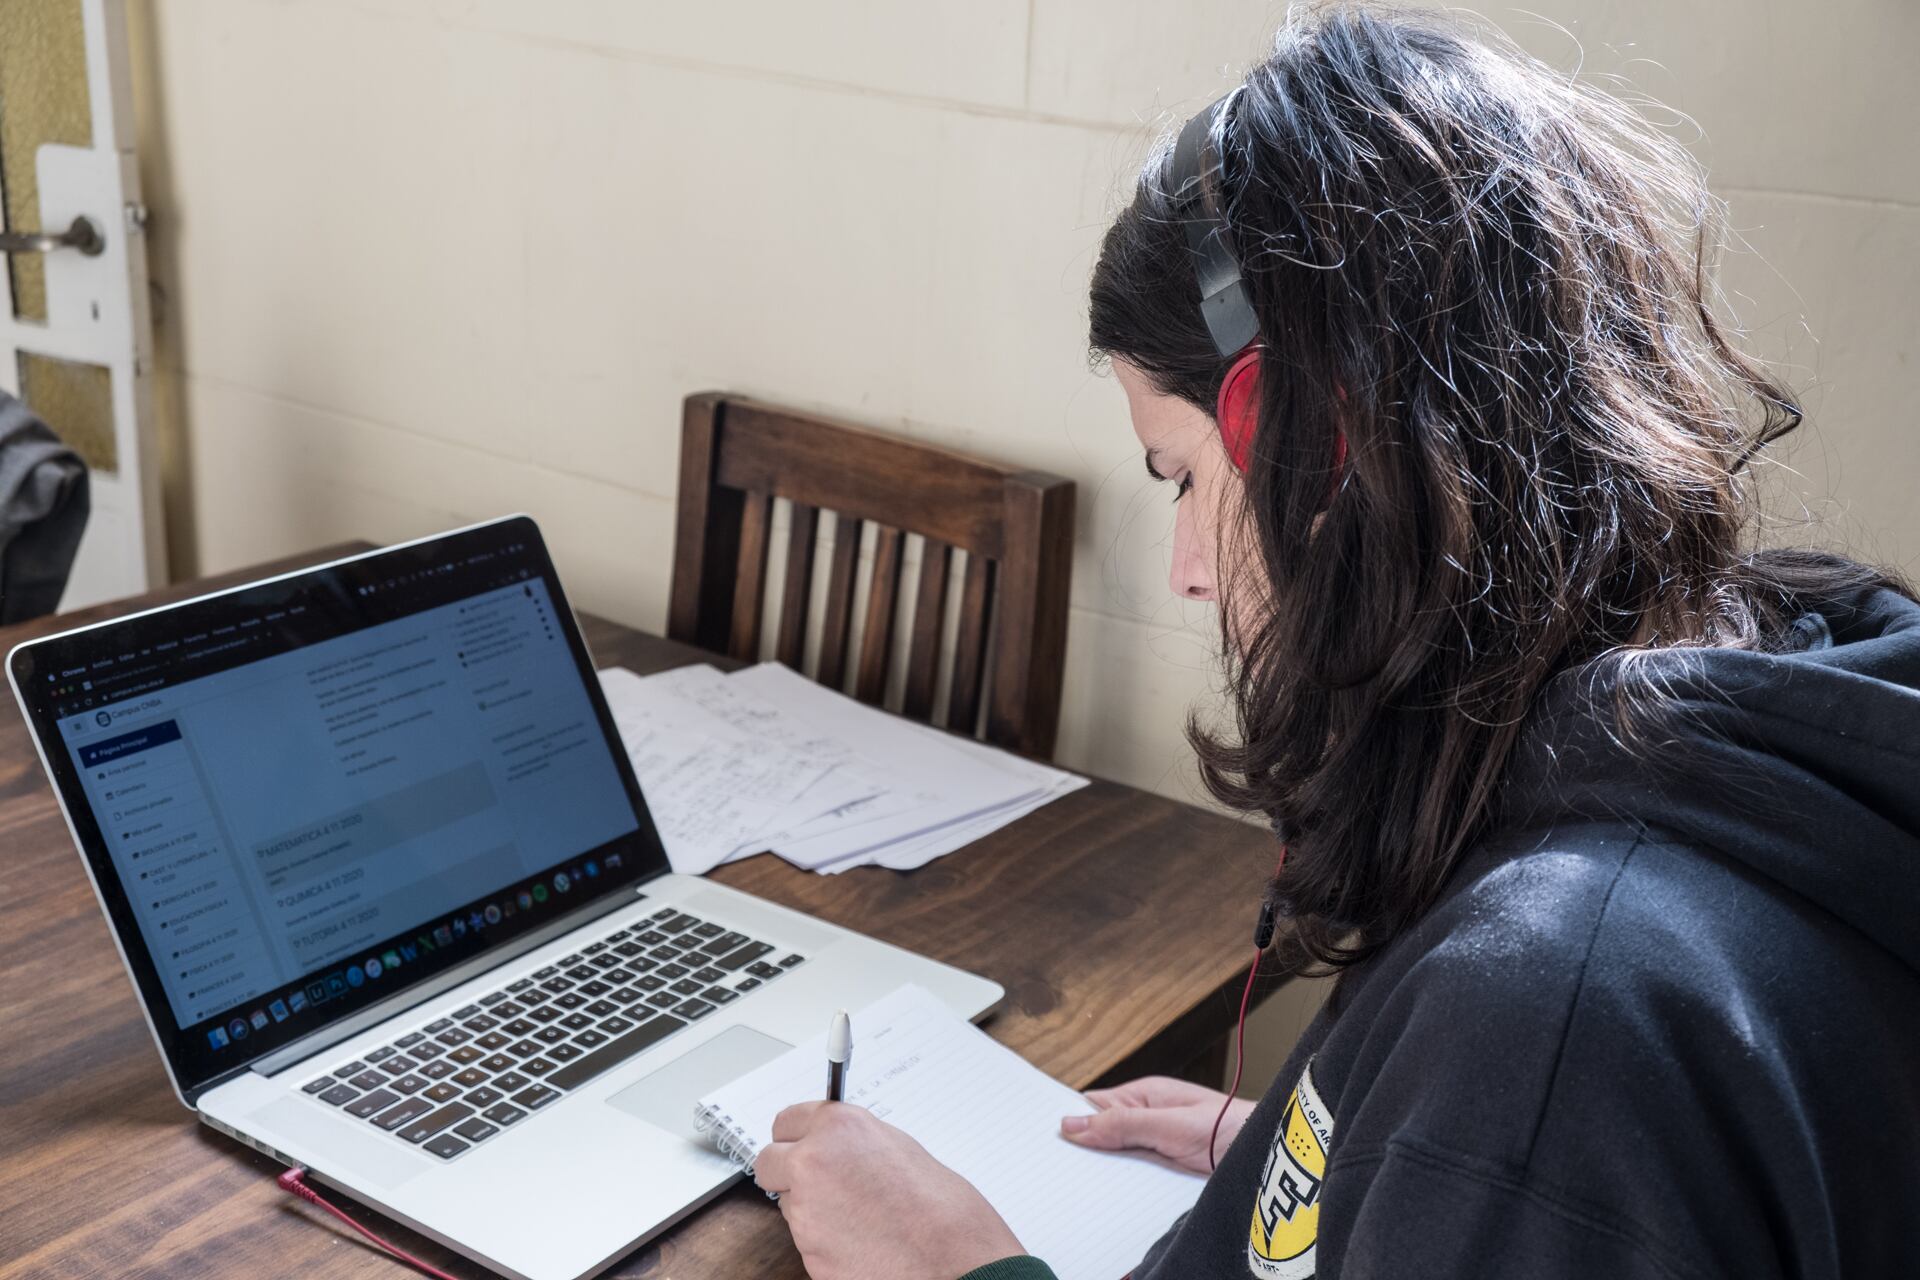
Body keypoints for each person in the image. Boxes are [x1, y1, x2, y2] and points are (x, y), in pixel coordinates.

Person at [751, 5, 1920, 1278]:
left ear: (1310, 438)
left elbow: (1551, 1140)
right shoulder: (1758, 696)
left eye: (1181, 477)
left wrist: (963, 1267)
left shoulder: (1554, 1031)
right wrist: (1352, 1157)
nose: (1190, 569)